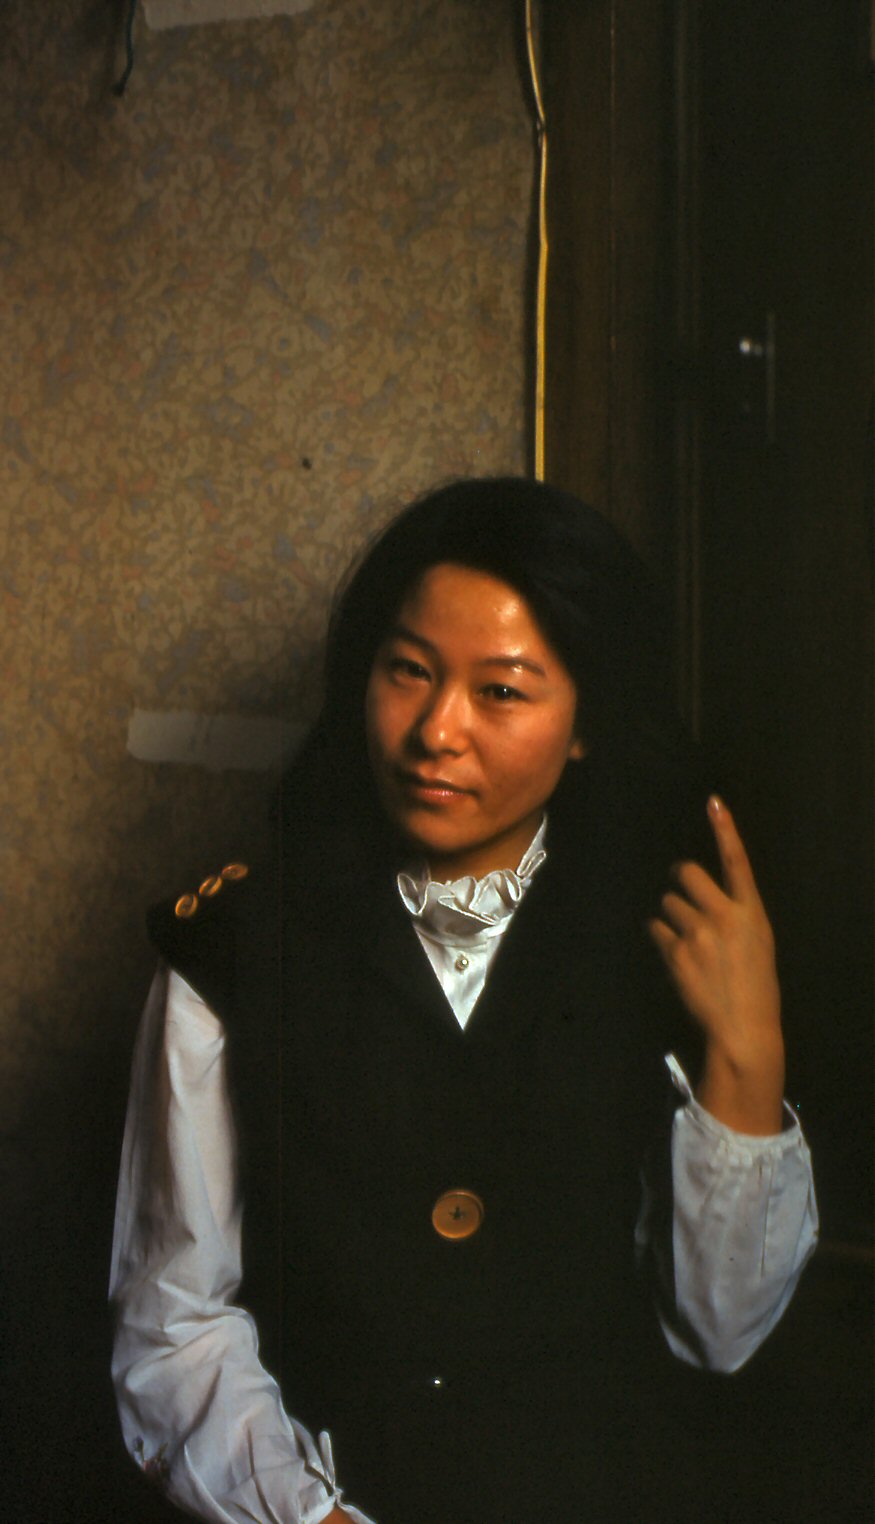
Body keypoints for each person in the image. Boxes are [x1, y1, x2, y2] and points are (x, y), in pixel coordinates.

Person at [110, 477, 817, 1524]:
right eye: (408, 671)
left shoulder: (667, 943)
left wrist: (748, 1054)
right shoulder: (232, 944)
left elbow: (718, 1334)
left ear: (585, 723)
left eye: (502, 691)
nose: (436, 730)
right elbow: (172, 1325)